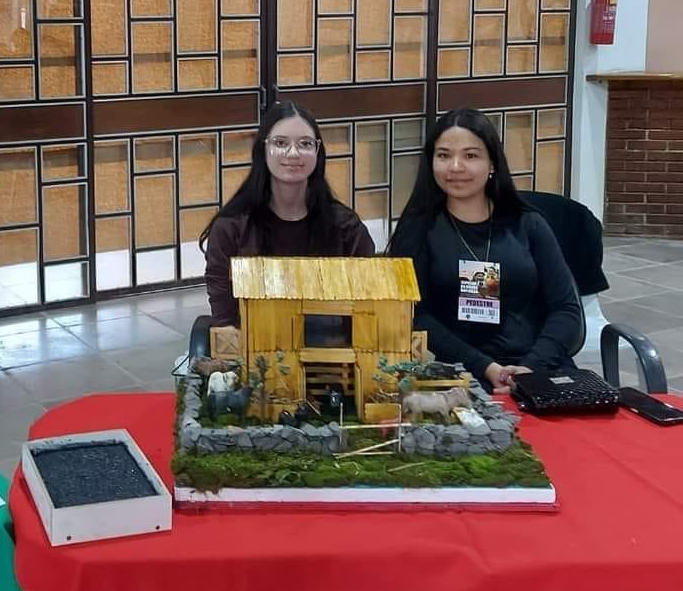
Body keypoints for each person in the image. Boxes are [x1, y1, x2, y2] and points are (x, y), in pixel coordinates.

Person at [389, 108, 582, 392]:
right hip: (458, 376)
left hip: (539, 368)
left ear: (492, 163)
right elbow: (415, 315)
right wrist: (487, 368)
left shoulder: (528, 223)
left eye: (471, 155)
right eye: (443, 155)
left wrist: (530, 368)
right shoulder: (417, 229)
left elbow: (565, 309)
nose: (455, 167)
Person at [200, 101, 375, 327]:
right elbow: (225, 320)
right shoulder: (231, 228)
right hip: (252, 350)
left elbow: (368, 307)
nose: (293, 153)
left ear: (317, 150)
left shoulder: (347, 227)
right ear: (263, 149)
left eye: (305, 144)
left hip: (332, 351)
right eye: (281, 143)